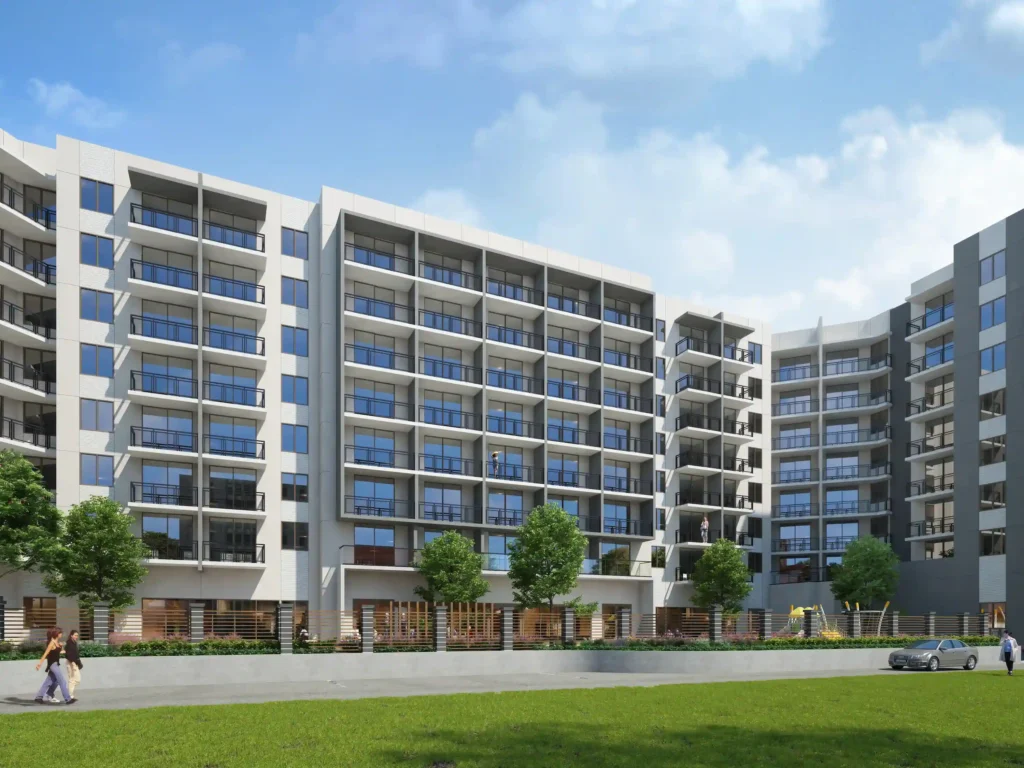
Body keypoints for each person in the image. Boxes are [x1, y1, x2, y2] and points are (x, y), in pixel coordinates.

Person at [34, 627, 76, 705]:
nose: (61, 634)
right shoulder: (52, 643)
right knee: (62, 681)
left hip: (55, 664)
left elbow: (59, 652)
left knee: (50, 681)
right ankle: (68, 699)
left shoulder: (57, 642)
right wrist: (39, 663)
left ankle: (39, 697)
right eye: (60, 633)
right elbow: (46, 654)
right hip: (52, 665)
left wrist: (63, 648)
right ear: (56, 634)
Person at [64, 629, 82, 698]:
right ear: (71, 635)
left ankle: (70, 694)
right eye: (75, 635)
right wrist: (73, 664)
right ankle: (70, 695)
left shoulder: (74, 643)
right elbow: (69, 655)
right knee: (72, 679)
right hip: (71, 663)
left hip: (74, 663)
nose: (76, 637)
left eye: (77, 635)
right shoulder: (69, 643)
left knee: (77, 679)